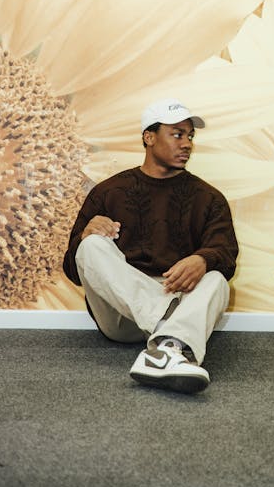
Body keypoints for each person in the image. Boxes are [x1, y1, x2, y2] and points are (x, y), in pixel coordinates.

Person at [63, 98, 238, 394]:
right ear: (149, 137)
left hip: (179, 299)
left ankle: (166, 348)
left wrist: (203, 259)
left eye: (190, 136)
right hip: (122, 313)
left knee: (217, 278)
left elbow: (226, 255)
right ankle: (170, 327)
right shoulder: (108, 192)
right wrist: (85, 235)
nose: (187, 144)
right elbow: (73, 269)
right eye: (177, 134)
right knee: (90, 246)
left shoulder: (209, 198)